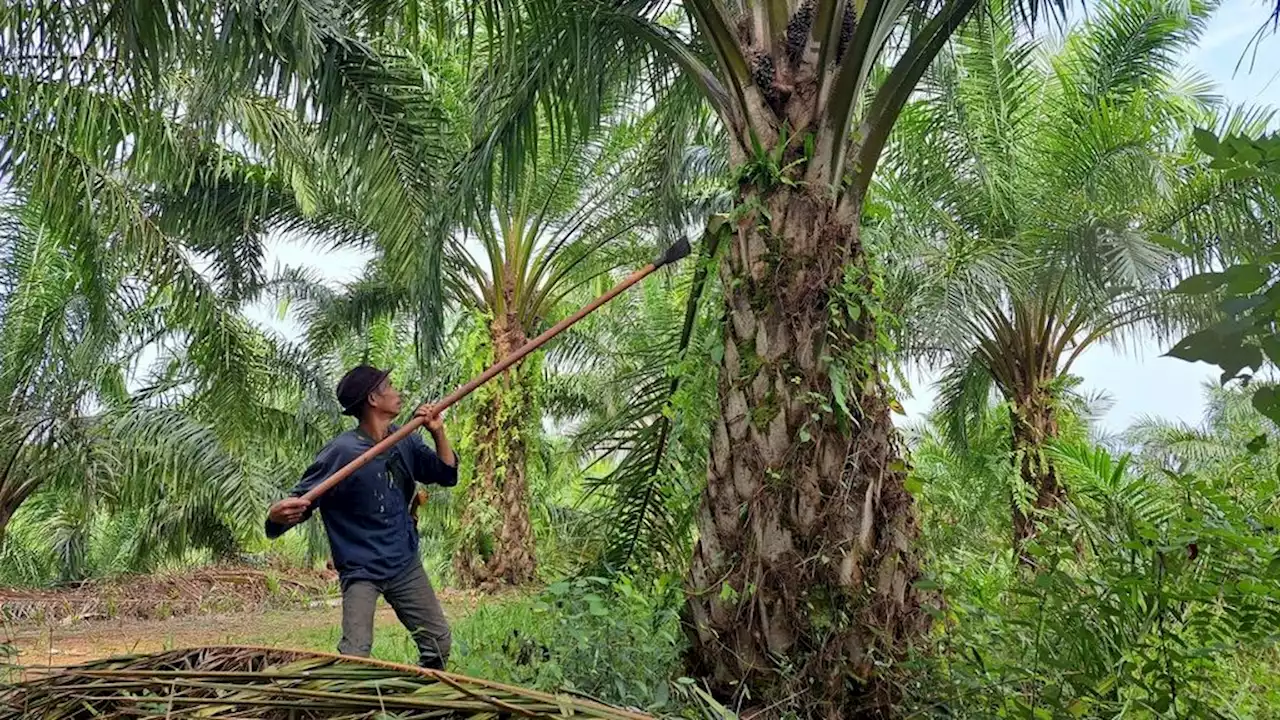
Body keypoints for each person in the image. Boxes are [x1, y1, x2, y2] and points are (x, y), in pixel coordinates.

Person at [265, 364, 459, 670]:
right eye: (391, 386)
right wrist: (276, 516)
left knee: (438, 642)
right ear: (373, 399)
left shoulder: (405, 438)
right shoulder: (341, 453)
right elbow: (299, 505)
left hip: (403, 561)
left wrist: (438, 432)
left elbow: (446, 474)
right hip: (361, 569)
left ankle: (419, 698)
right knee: (355, 655)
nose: (398, 392)